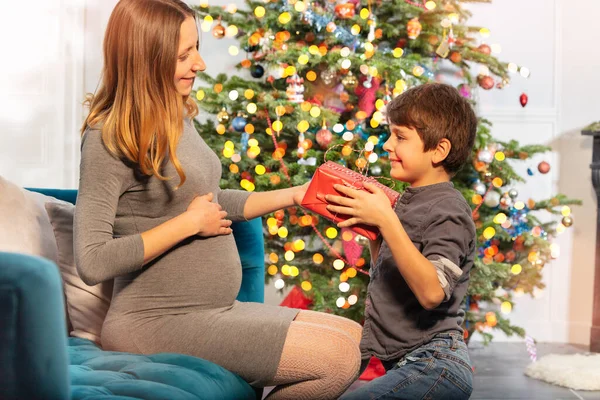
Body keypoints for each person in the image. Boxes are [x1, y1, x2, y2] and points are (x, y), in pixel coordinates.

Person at [73, 1, 361, 398]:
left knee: (354, 339)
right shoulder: (107, 139)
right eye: (183, 55)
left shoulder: (175, 113)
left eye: (196, 48)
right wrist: (188, 225)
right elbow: (92, 260)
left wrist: (296, 195)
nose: (200, 64)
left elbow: (208, 201)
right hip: (154, 321)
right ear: (146, 60)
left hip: (214, 311)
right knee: (336, 359)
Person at [327, 83, 477, 399]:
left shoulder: (448, 208)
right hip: (406, 363)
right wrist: (374, 232)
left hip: (436, 363)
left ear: (439, 150)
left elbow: (433, 292)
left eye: (400, 137)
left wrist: (386, 219)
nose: (387, 145)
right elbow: (394, 268)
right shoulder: (410, 202)